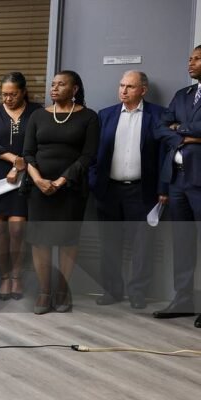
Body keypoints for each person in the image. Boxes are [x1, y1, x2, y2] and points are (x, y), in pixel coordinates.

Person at [23, 70, 99, 314]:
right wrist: (38, 180)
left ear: (74, 89)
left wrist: (60, 182)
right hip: (39, 188)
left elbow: (88, 156)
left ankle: (62, 290)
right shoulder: (38, 115)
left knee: (67, 241)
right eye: (53, 84)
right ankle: (44, 292)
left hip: (71, 189)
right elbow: (28, 153)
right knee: (40, 241)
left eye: (61, 84)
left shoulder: (89, 117)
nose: (54, 88)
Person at [89, 71, 167, 310]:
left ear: (143, 90)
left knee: (142, 245)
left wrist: (162, 188)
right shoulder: (105, 115)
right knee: (109, 243)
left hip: (142, 191)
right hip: (109, 190)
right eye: (121, 85)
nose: (123, 90)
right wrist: (94, 182)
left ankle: (138, 292)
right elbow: (93, 153)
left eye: (130, 86)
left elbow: (164, 155)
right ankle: (111, 290)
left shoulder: (158, 115)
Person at [0, 72, 41, 301]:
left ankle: (17, 276)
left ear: (23, 92)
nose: (8, 99)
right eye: (4, 94)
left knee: (17, 228)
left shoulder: (36, 111)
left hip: (26, 174)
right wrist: (15, 160)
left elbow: (37, 142)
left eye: (12, 94)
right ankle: (5, 277)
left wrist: (21, 165)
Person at [153, 45, 201, 328]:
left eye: (197, 59)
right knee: (182, 242)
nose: (190, 63)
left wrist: (178, 129)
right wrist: (190, 137)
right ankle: (183, 300)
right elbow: (160, 127)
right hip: (177, 179)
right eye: (189, 59)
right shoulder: (182, 94)